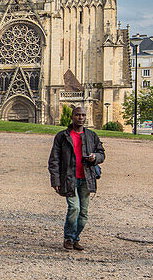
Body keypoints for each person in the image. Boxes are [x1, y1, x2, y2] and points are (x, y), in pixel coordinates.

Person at [48, 105, 104, 250]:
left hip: (86, 178)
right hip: (69, 178)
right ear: (72, 117)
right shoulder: (62, 136)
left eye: (83, 115)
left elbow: (102, 154)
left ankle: (75, 238)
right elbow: (54, 160)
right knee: (74, 208)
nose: (81, 118)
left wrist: (95, 157)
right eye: (78, 115)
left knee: (84, 213)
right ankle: (68, 237)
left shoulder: (91, 136)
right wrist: (55, 180)